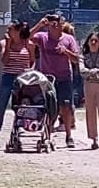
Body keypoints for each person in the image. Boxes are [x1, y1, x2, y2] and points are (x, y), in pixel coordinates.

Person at [30, 13, 80, 148]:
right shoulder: (42, 37)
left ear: (61, 24)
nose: (54, 24)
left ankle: (69, 135)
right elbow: (26, 37)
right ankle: (48, 134)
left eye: (56, 22)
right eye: (51, 22)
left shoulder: (68, 39)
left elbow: (76, 59)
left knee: (66, 107)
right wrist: (39, 25)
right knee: (50, 107)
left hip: (64, 78)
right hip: (47, 79)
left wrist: (66, 52)